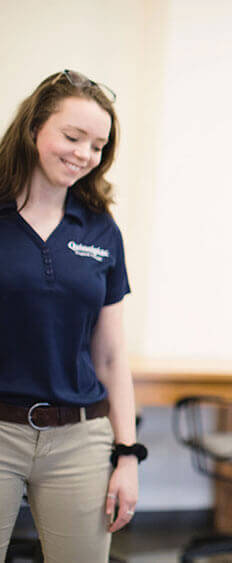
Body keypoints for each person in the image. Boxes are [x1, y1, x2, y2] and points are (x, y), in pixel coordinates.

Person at [0, 70, 144, 561]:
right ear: (34, 127)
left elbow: (109, 355)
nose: (85, 154)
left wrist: (127, 455)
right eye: (73, 136)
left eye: (98, 145)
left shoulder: (102, 230)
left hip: (79, 438)